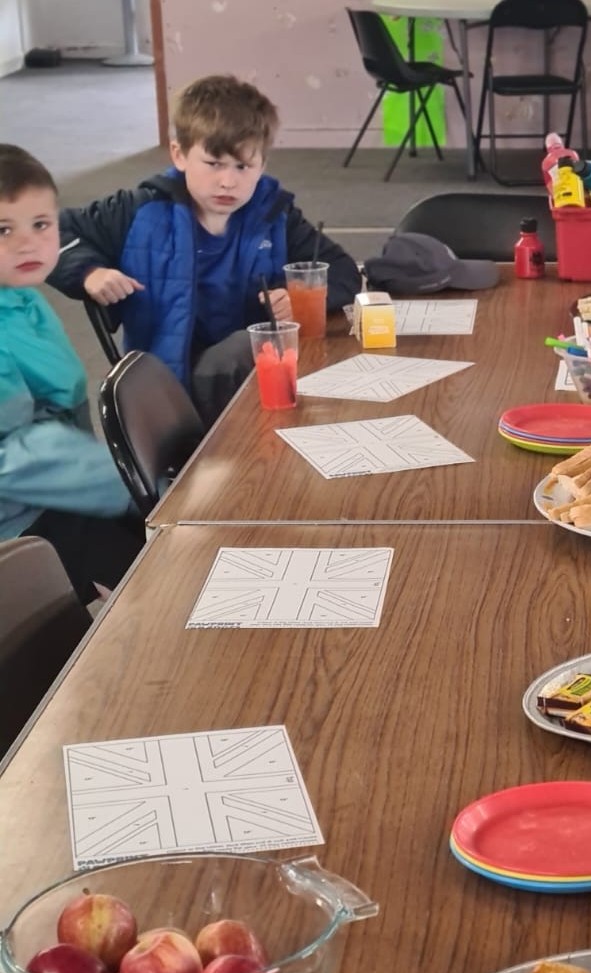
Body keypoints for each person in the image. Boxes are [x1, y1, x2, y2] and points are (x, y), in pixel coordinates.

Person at [48, 74, 361, 426]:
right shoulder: (137, 210)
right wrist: (90, 271)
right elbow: (48, 231)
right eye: (213, 164)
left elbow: (344, 270)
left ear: (263, 166)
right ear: (179, 155)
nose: (228, 181)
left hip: (258, 379)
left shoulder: (274, 214)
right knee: (242, 351)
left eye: (244, 167)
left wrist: (302, 294)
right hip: (170, 386)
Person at [0, 144, 144, 604]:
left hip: (57, 492)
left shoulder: (20, 295)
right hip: (20, 528)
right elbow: (16, 453)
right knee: (162, 576)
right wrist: (135, 484)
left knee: (164, 552)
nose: (27, 243)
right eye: (3, 229)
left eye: (41, 224)